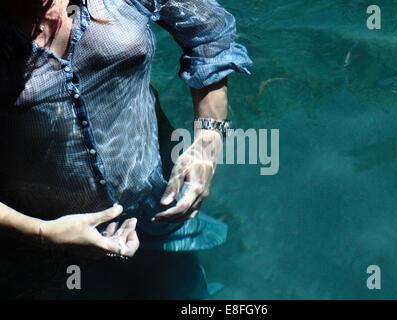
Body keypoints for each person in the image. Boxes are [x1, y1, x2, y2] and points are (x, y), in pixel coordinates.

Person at [0, 0, 252, 299]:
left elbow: (211, 36)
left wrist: (207, 144)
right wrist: (42, 233)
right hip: (40, 233)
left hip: (157, 203)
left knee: (186, 293)